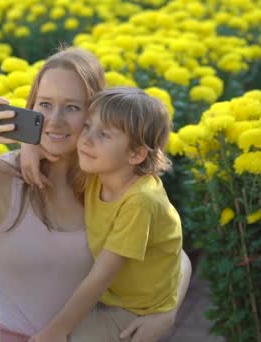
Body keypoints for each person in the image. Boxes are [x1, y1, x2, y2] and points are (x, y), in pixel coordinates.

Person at [0, 47, 191, 342]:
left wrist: (166, 313)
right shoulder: (0, 176)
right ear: (31, 107)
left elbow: (172, 253)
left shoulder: (105, 182)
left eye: (73, 108)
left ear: (96, 113)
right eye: (45, 104)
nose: (55, 120)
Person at [29, 87, 183, 342]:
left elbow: (101, 276)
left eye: (103, 134)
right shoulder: (98, 171)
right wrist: (29, 147)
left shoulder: (140, 201)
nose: (86, 139)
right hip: (115, 293)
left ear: (136, 154)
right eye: (87, 126)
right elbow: (53, 149)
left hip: (137, 309)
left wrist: (56, 330)